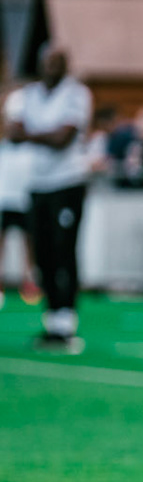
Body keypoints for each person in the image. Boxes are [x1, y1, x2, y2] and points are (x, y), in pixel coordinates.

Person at [5, 44, 93, 351]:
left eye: (56, 63)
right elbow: (13, 132)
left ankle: (66, 321)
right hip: (37, 183)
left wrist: (31, 134)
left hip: (67, 182)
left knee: (63, 249)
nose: (50, 68)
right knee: (42, 253)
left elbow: (62, 138)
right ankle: (52, 319)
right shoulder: (29, 95)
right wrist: (41, 134)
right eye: (47, 62)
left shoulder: (76, 94)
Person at [0, 81, 37, 309]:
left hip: (25, 202)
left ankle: (29, 281)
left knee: (29, 244)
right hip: (4, 201)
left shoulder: (31, 149)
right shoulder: (3, 148)